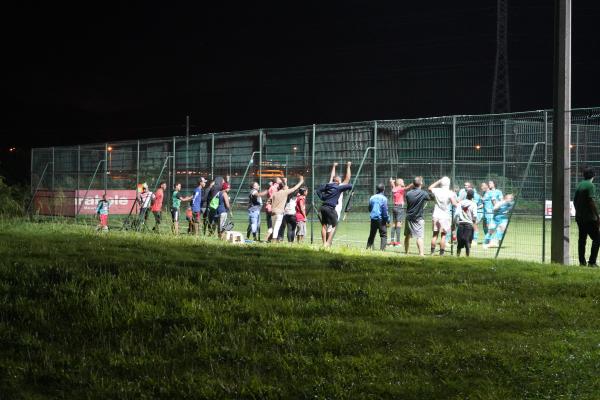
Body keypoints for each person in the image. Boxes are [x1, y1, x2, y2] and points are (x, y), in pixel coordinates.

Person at [316, 162, 352, 247]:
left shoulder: (329, 185)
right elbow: (348, 178)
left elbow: (332, 176)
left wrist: (333, 166)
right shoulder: (340, 186)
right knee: (332, 226)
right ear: (338, 181)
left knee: (325, 225)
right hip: (334, 207)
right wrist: (348, 166)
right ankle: (328, 243)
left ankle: (325, 243)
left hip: (325, 206)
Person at [574, 167, 600, 267]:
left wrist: (579, 212)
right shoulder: (591, 185)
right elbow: (591, 201)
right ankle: (592, 262)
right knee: (597, 239)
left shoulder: (579, 185)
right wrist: (597, 216)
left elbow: (575, 201)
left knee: (582, 240)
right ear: (594, 176)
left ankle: (582, 262)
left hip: (580, 218)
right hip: (589, 218)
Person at [429, 176, 458, 256]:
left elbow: (430, 188)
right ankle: (441, 253)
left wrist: (438, 181)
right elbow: (454, 203)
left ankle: (432, 252)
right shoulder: (450, 192)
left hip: (436, 214)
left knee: (435, 235)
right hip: (445, 216)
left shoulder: (437, 190)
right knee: (443, 235)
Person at [270, 176, 304, 242]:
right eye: (286, 186)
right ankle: (274, 240)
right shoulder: (285, 192)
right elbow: (294, 188)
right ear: (283, 187)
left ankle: (274, 239)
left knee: (274, 228)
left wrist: (285, 182)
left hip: (273, 212)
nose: (288, 187)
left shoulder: (275, 193)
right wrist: (301, 182)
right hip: (279, 213)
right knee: (277, 228)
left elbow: (270, 201)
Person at [404, 176, 429, 256]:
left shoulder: (408, 194)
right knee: (419, 237)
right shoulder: (423, 193)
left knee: (407, 236)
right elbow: (429, 198)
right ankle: (421, 254)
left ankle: (406, 252)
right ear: (421, 183)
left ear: (413, 183)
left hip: (409, 217)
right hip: (418, 218)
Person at [366, 183, 390, 251]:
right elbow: (385, 212)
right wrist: (387, 220)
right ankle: (382, 250)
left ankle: (368, 248)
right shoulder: (384, 199)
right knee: (383, 235)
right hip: (381, 219)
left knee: (372, 234)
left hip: (373, 219)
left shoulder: (372, 197)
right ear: (383, 189)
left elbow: (369, 208)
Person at [455, 189, 477, 257]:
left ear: (466, 195)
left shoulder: (461, 203)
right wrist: (474, 223)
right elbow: (475, 216)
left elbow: (456, 214)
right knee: (467, 241)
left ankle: (457, 256)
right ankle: (467, 257)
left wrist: (455, 223)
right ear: (473, 196)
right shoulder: (473, 204)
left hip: (461, 224)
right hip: (469, 225)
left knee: (459, 241)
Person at [389, 177, 411, 246]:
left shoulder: (395, 188)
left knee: (393, 224)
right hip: (399, 208)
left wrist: (392, 182)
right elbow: (407, 188)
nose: (403, 182)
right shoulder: (401, 189)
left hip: (395, 207)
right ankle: (398, 242)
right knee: (399, 225)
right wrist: (413, 184)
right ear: (399, 183)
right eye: (402, 181)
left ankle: (392, 241)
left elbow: (393, 185)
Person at [482, 180, 503, 247]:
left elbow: (500, 201)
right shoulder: (487, 192)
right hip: (485, 212)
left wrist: (498, 208)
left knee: (492, 227)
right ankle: (489, 240)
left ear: (494, 184)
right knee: (486, 226)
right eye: (489, 183)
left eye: (490, 183)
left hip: (491, 212)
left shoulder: (497, 192)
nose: (489, 184)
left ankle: (491, 241)